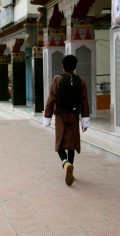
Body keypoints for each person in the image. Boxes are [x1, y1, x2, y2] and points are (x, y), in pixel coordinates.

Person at [43, 55, 90, 186]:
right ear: (75, 67)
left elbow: (51, 99)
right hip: (74, 116)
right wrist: (85, 120)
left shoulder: (57, 79)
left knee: (60, 143)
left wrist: (47, 117)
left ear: (63, 66)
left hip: (61, 116)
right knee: (72, 144)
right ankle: (71, 168)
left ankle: (65, 164)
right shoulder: (81, 81)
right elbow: (84, 102)